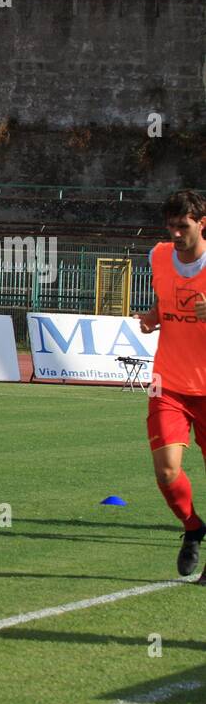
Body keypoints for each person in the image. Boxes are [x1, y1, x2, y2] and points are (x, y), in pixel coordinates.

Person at [137, 189, 206, 580]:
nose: (176, 234)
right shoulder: (158, 255)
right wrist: (152, 317)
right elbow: (167, 304)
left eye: (184, 226)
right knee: (166, 472)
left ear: (202, 223)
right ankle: (193, 527)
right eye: (171, 226)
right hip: (170, 384)